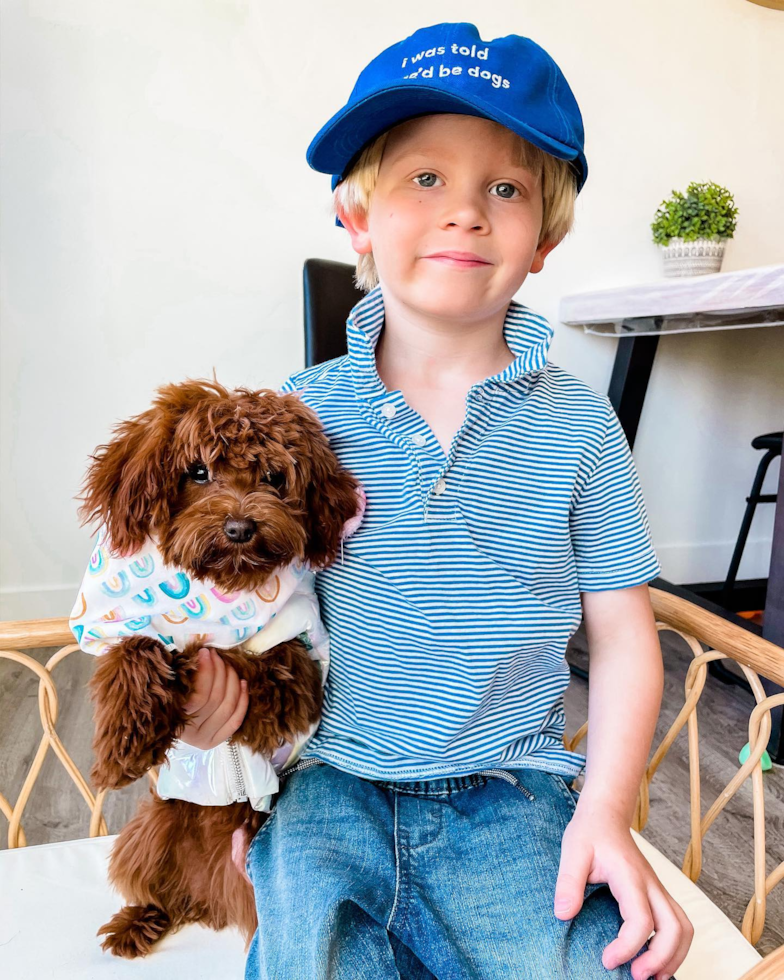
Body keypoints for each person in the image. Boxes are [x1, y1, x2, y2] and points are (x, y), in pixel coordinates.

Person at [182, 21, 694, 980]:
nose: (465, 212)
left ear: (544, 238)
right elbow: (245, 604)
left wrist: (606, 814)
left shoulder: (582, 425)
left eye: (505, 189)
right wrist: (229, 752)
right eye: (425, 178)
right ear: (357, 218)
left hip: (512, 789)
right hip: (327, 779)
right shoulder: (298, 414)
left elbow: (626, 634)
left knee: (601, 965)